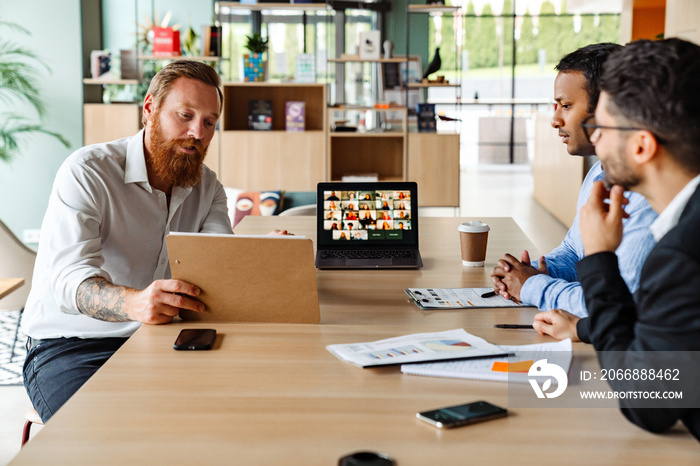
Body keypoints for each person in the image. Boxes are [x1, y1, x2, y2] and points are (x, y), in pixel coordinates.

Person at [23, 60, 232, 422]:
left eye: (210, 122)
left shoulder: (207, 186)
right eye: (185, 115)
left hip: (162, 339)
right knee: (113, 439)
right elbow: (70, 282)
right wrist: (135, 304)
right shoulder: (88, 171)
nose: (198, 132)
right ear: (149, 109)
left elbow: (220, 263)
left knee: (219, 419)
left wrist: (261, 255)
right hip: (71, 347)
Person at [536, 39, 700, 439]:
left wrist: (598, 257)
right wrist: (585, 328)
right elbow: (661, 331)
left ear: (642, 145)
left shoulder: (682, 255)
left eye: (602, 128)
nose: (597, 141)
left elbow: (648, 403)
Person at [490, 43, 657, 318]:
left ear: (607, 108)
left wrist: (534, 286)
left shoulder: (647, 198)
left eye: (566, 106)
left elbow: (615, 303)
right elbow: (574, 250)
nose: (555, 120)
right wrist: (535, 272)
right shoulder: (598, 174)